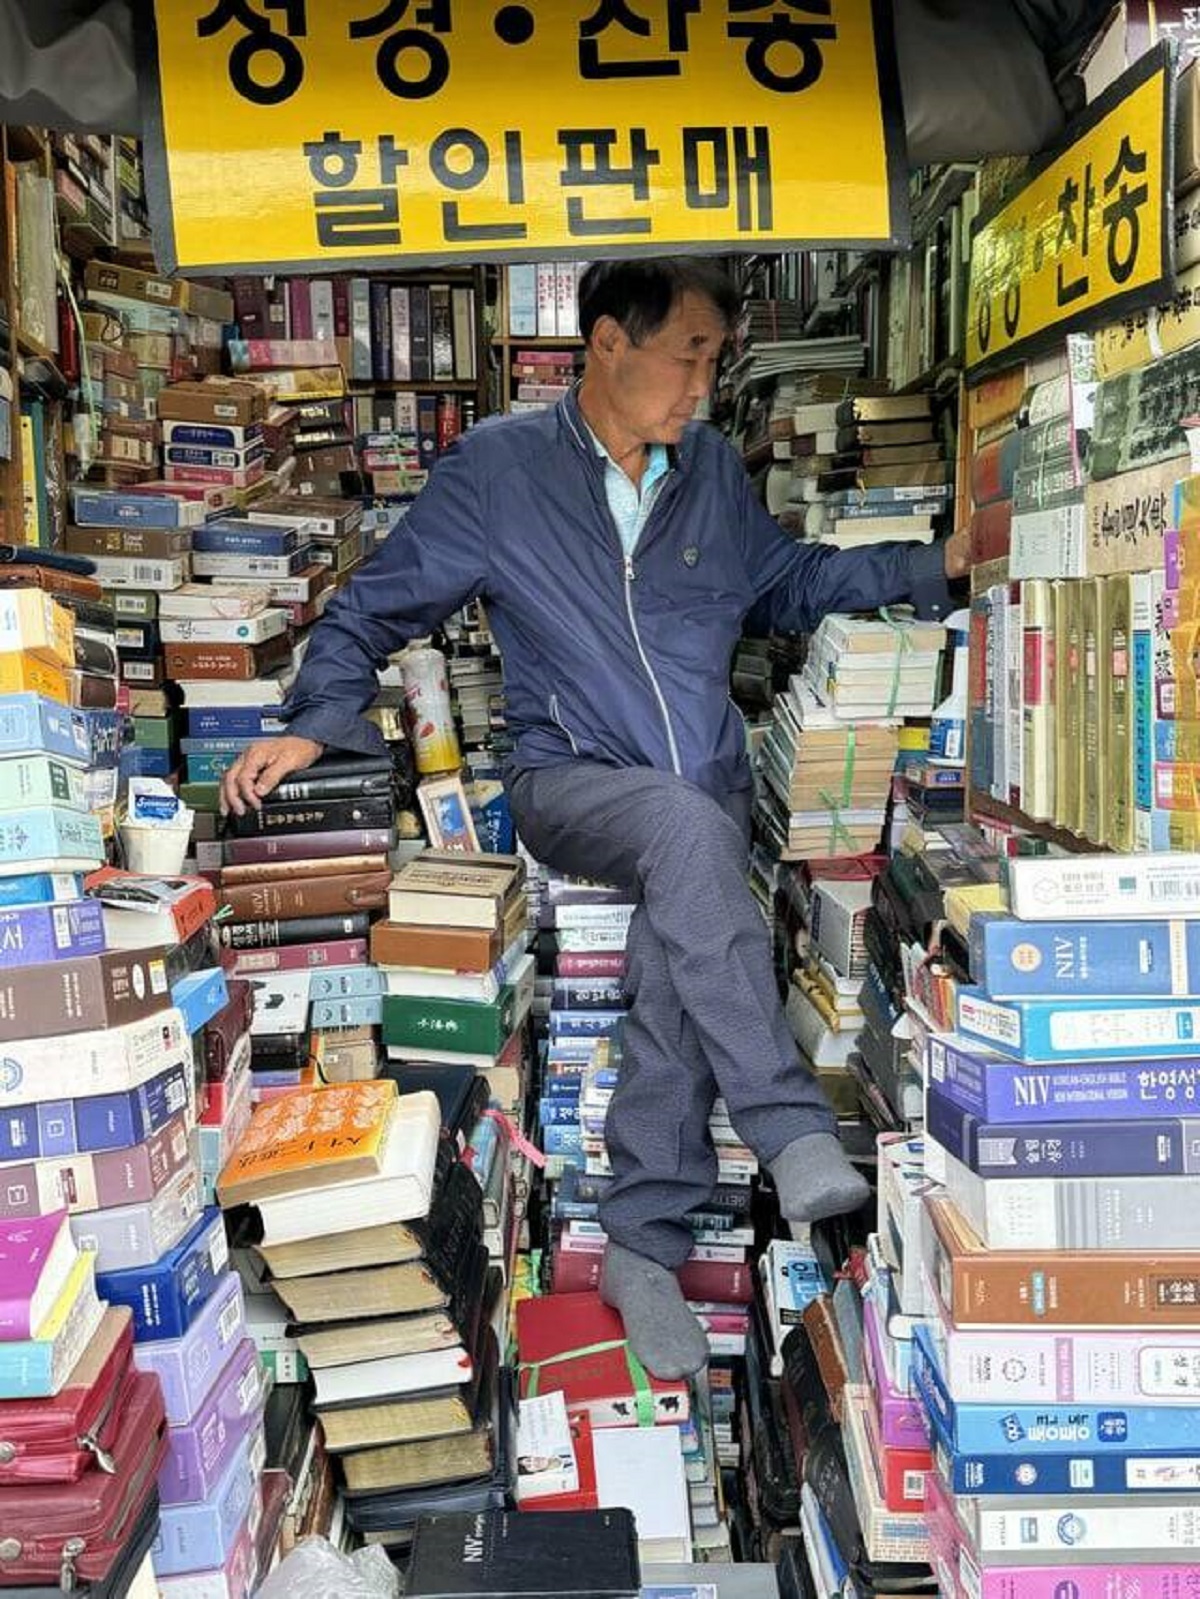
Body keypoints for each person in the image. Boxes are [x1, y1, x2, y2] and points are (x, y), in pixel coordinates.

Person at [222, 258, 968, 1380]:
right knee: (687, 841)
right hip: (568, 781)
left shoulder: (709, 471)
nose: (704, 387)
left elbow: (791, 583)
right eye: (690, 356)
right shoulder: (498, 472)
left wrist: (939, 566)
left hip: (700, 794)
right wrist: (316, 722)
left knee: (684, 953)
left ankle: (640, 1248)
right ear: (608, 344)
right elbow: (370, 611)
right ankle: (785, 1124)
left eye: (716, 360)